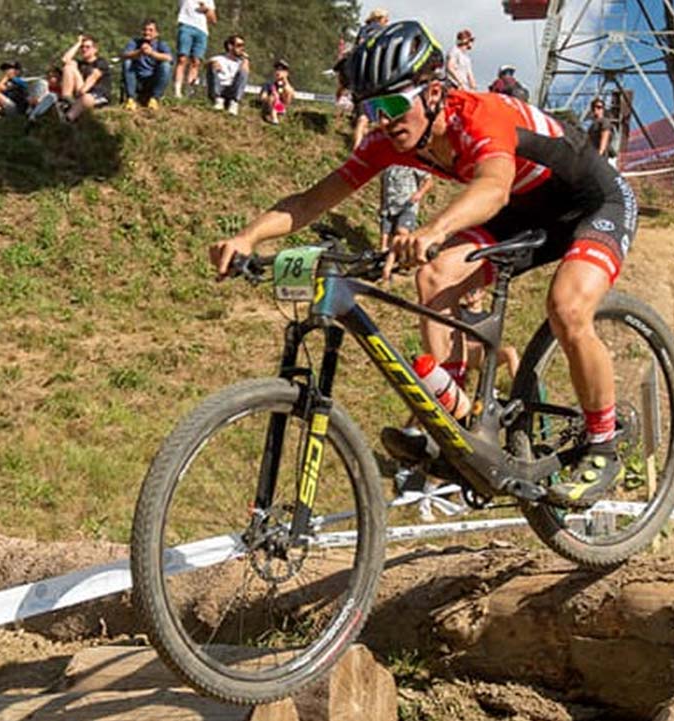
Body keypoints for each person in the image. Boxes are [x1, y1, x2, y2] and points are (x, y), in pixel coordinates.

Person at [210, 21, 640, 509]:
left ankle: (603, 442)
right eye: (370, 108)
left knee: (566, 309)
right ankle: (458, 418)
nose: (382, 120)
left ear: (434, 92)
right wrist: (247, 236)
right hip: (524, 208)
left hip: (593, 203)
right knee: (433, 276)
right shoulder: (390, 140)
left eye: (392, 105)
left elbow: (494, 186)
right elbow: (312, 200)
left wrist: (433, 231)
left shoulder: (480, 113)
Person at [457, 287, 520, 380]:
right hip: (465, 351)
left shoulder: (488, 317)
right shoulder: (459, 311)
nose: (468, 294)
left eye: (472, 291)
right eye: (466, 291)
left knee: (510, 351)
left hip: (484, 354)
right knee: (474, 345)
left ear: (482, 293)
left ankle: (520, 386)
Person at [351, 9, 391, 149]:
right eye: (386, 18)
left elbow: (356, 50)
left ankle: (356, 149)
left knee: (363, 116)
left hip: (361, 78)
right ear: (380, 18)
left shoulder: (363, 30)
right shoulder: (385, 32)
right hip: (378, 78)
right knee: (382, 117)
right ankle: (379, 150)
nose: (388, 21)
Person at [379, 164, 434, 254]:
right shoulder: (387, 166)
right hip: (389, 205)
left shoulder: (412, 164)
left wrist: (420, 193)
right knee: (385, 236)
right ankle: (383, 258)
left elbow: (429, 181)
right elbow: (383, 186)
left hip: (407, 205)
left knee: (402, 231)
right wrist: (382, 203)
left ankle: (404, 256)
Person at [122, 19, 173, 110]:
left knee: (166, 66)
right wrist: (139, 52)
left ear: (157, 33)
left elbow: (169, 58)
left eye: (150, 30)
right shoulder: (135, 42)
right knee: (127, 62)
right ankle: (131, 99)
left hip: (152, 80)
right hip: (136, 80)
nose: (147, 32)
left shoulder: (161, 44)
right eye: (145, 30)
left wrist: (152, 53)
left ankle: (155, 99)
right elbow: (125, 55)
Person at [60, 34, 111, 122]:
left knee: (85, 98)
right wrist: (78, 43)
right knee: (68, 67)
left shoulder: (101, 62)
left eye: (88, 47)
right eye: (82, 47)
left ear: (95, 49)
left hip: (97, 95)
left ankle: (67, 119)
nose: (84, 49)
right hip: (81, 93)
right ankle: (66, 100)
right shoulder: (80, 63)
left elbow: (91, 80)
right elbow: (65, 59)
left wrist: (79, 94)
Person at [174, 0, 217, 99]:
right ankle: (177, 91)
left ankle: (189, 91)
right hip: (186, 26)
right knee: (182, 59)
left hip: (202, 31)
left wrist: (206, 10)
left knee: (196, 61)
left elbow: (213, 20)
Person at [206, 35, 250, 116]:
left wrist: (246, 59)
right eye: (239, 45)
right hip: (219, 88)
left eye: (243, 46)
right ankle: (218, 100)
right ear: (230, 46)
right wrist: (212, 64)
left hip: (232, 91)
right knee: (212, 67)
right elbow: (208, 63)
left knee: (244, 72)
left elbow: (245, 72)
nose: (242, 48)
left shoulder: (241, 62)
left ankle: (234, 103)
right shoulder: (219, 58)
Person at [259, 59, 295, 125]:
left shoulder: (286, 85)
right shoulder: (269, 84)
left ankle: (280, 111)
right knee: (273, 97)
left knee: (288, 90)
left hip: (281, 107)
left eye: (281, 70)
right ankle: (273, 117)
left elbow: (291, 93)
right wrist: (272, 97)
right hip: (270, 105)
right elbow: (263, 97)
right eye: (277, 69)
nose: (278, 72)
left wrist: (285, 80)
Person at [587, 97, 616, 165]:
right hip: (595, 156)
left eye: (599, 107)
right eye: (594, 107)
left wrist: (600, 153)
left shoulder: (604, 121)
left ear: (603, 109)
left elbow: (605, 136)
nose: (596, 109)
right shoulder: (591, 126)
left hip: (605, 157)